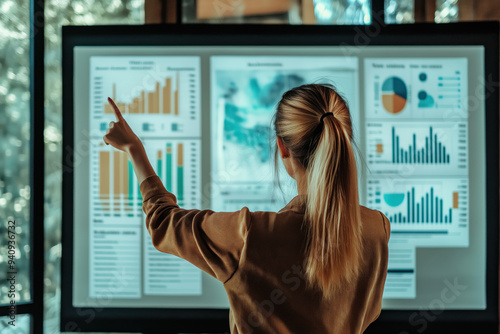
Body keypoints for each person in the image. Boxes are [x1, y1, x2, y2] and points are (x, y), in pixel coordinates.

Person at [103, 83, 390, 334]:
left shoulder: (249, 236)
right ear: (343, 140)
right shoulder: (377, 229)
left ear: (283, 148)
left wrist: (134, 149)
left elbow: (164, 223)